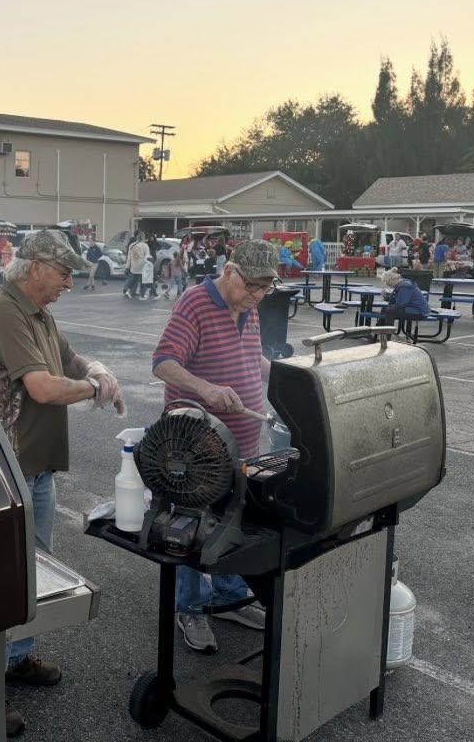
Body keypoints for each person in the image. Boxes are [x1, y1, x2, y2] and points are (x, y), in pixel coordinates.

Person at [0, 229, 125, 736]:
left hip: (35, 464)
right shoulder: (3, 310)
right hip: (5, 465)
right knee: (1, 573)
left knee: (36, 570)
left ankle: (16, 657)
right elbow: (41, 387)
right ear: (36, 267)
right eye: (64, 274)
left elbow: (67, 356)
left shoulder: (40, 313)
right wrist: (95, 388)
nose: (68, 283)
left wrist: (97, 369)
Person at [151, 240, 279, 654]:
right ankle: (190, 607)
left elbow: (251, 359)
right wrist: (206, 388)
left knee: (232, 517)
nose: (257, 296)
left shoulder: (249, 306)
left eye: (265, 289)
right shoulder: (194, 303)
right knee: (190, 526)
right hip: (196, 445)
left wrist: (287, 377)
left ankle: (226, 594)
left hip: (242, 440)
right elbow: (163, 361)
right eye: (252, 287)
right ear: (229, 271)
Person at [379, 268, 430, 337]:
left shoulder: (405, 286)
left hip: (419, 311)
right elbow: (398, 301)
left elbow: (401, 304)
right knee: (386, 309)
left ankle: (387, 336)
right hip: (413, 308)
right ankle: (378, 331)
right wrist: (387, 297)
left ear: (392, 280)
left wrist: (389, 303)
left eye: (388, 283)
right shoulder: (402, 285)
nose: (388, 285)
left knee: (389, 311)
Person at [125, 234, 149, 299]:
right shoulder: (145, 245)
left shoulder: (132, 245)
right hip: (142, 265)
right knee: (143, 281)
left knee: (134, 280)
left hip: (134, 265)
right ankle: (142, 295)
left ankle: (129, 291)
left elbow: (129, 257)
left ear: (137, 238)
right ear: (143, 238)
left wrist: (127, 266)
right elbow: (147, 257)